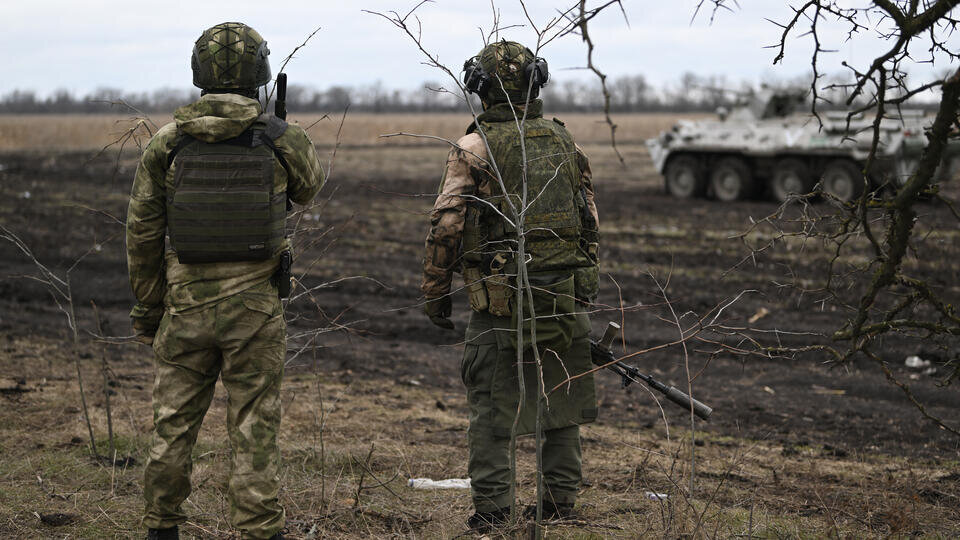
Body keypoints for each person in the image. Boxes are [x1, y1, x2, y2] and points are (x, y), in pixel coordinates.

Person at [126, 22, 324, 540]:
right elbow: (310, 189)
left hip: (184, 308)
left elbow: (142, 235)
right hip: (255, 311)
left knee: (172, 427)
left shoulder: (167, 145)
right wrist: (278, 129)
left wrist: (148, 309)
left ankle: (160, 527)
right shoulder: (281, 140)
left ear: (199, 73)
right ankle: (260, 531)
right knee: (255, 428)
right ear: (258, 72)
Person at [421, 40, 601, 532]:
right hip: (563, 300)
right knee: (561, 404)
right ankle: (561, 505)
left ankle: (494, 512)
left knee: (491, 410)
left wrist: (436, 295)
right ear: (536, 82)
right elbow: (589, 224)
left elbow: (447, 226)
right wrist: (582, 292)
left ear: (479, 88)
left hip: (499, 307)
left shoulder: (474, 148)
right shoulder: (568, 143)